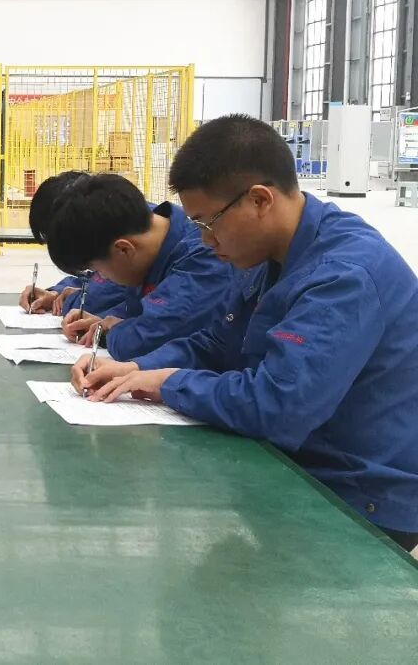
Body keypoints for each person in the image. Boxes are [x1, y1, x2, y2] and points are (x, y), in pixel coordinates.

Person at [75, 114, 418, 551]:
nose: (204, 241)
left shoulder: (343, 277)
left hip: (356, 494)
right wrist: (136, 368)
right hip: (301, 465)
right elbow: (218, 342)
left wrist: (170, 383)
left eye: (207, 223)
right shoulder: (267, 254)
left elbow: (279, 406)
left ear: (259, 200)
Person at [45, 173, 234, 359]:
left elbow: (147, 339)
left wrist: (115, 332)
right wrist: (104, 322)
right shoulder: (147, 254)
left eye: (98, 271)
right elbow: (140, 314)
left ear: (124, 249)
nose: (102, 278)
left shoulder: (203, 258)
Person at [18, 172, 128, 317]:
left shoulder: (124, 243)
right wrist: (56, 292)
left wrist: (69, 300)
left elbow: (98, 299)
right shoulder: (114, 226)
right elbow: (92, 279)